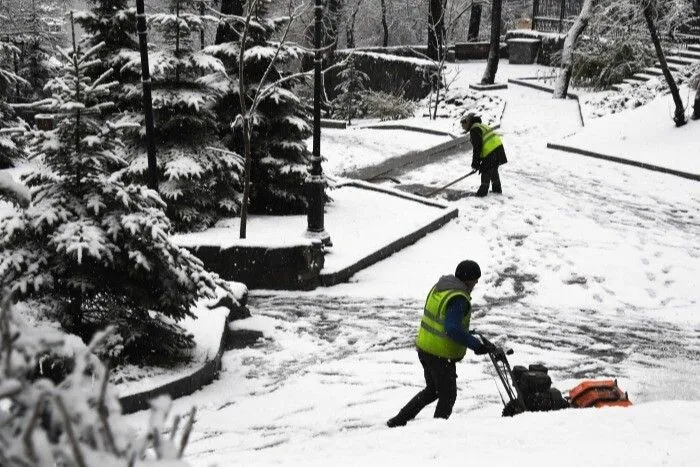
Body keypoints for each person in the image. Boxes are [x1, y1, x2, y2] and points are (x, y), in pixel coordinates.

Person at [386, 260, 499, 427]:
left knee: (433, 391)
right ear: (468, 279)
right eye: (475, 279)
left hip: (425, 348)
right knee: (448, 395)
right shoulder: (458, 298)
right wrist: (476, 346)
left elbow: (441, 321)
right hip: (440, 354)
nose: (476, 283)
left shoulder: (442, 288)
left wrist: (468, 334)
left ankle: (399, 420)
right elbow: (452, 328)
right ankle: (437, 430)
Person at [460, 113, 508, 197]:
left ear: (467, 122)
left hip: (491, 151)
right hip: (498, 149)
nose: (462, 127)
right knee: (493, 170)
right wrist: (477, 163)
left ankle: (481, 194)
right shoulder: (481, 126)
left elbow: (477, 148)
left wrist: (475, 163)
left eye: (463, 124)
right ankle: (497, 190)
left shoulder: (474, 129)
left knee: (485, 170)